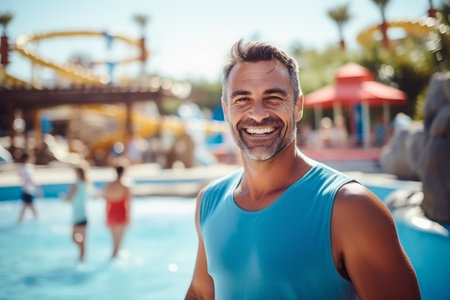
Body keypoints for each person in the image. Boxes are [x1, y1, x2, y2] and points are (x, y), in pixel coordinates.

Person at [185, 40, 421, 300]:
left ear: (298, 106)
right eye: (242, 99)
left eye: (273, 97)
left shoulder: (351, 208)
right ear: (227, 110)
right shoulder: (209, 201)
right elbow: (200, 293)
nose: (259, 114)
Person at [103, 164, 131, 258]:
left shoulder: (108, 186)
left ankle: (113, 254)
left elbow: (106, 204)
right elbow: (129, 204)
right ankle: (116, 256)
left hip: (111, 213)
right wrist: (129, 218)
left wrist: (105, 217)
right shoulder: (125, 186)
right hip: (121, 213)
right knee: (119, 242)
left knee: (113, 240)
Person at [64, 163, 90, 261]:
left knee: (74, 239)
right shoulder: (86, 185)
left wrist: (64, 198)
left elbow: (69, 198)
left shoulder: (76, 185)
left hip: (78, 216)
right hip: (83, 215)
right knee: (82, 240)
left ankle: (81, 259)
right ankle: (82, 259)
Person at [17, 152, 39, 222]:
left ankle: (20, 220)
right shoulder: (27, 168)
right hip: (28, 190)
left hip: (25, 190)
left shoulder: (23, 167)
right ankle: (37, 220)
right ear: (27, 159)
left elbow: (20, 176)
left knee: (26, 207)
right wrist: (37, 187)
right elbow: (29, 179)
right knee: (30, 207)